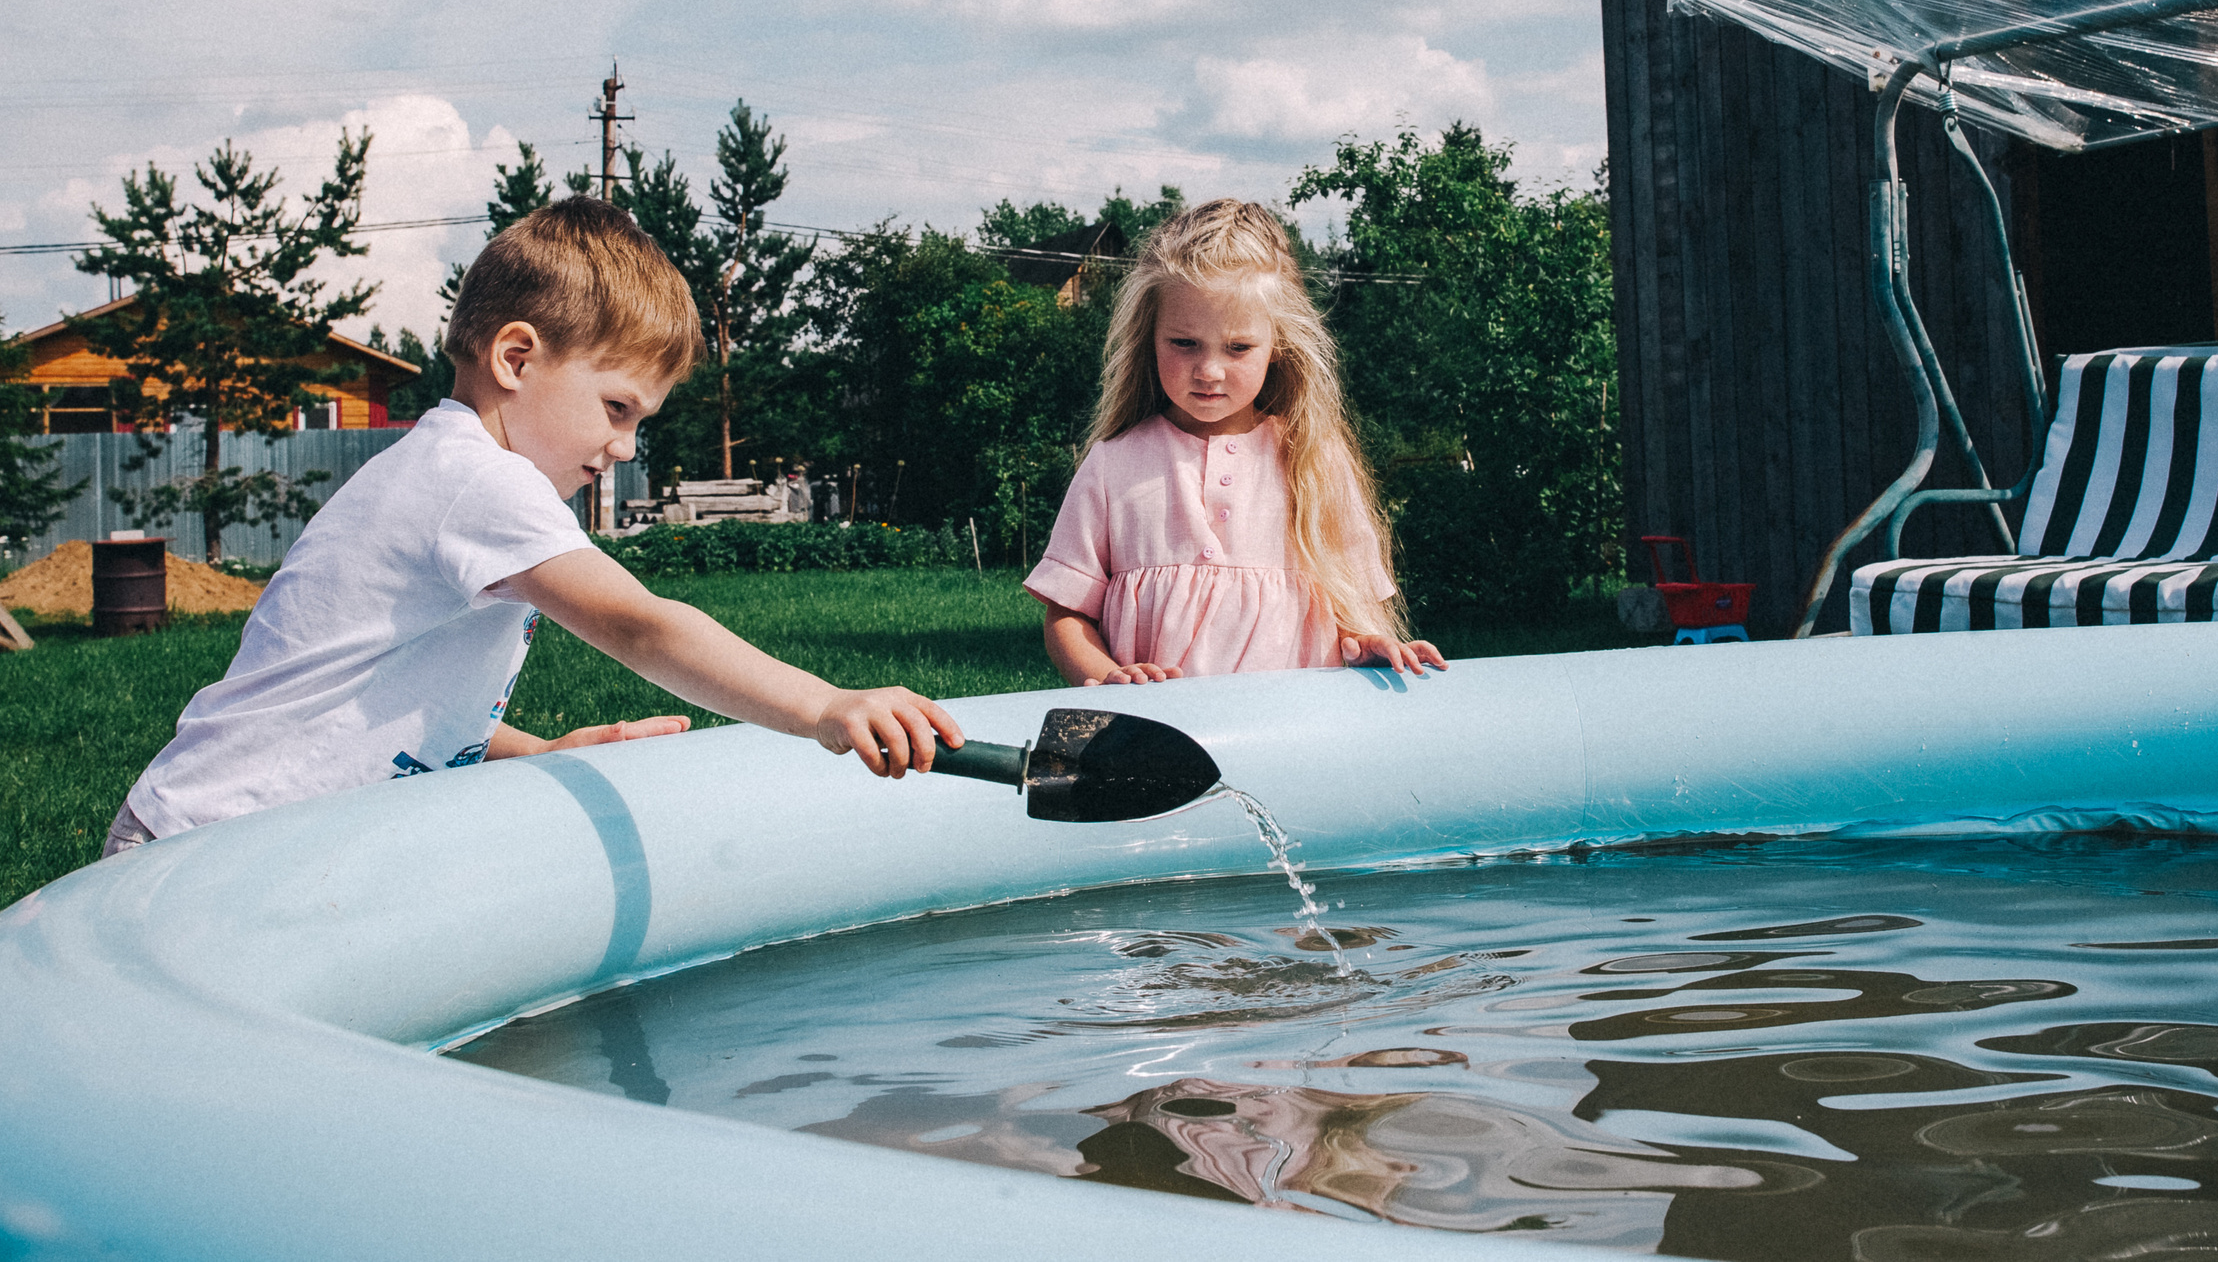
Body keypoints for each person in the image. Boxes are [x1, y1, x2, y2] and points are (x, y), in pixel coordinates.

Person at [100, 197, 960, 858]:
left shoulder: (443, 469)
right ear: (516, 358)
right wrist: (825, 705)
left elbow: (383, 709)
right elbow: (641, 624)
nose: (624, 447)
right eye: (617, 407)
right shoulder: (479, 478)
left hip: (225, 837)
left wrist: (538, 749)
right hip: (197, 844)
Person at [1026, 198, 1444, 685]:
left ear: (1279, 345)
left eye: (1238, 347)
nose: (1209, 371)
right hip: (1158, 729)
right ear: (1149, 337)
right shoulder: (1112, 464)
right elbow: (1067, 617)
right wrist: (1111, 680)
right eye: (1184, 343)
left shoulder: (1313, 460)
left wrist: (1368, 643)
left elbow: (1354, 605)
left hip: (1295, 725)